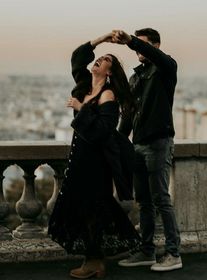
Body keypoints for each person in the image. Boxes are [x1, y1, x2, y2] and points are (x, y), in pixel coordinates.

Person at [48, 33, 141, 279]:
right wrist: (102, 39)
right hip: (80, 157)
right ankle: (93, 260)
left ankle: (94, 261)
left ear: (110, 72)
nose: (99, 59)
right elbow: (77, 58)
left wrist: (81, 109)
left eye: (106, 59)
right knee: (82, 209)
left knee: (91, 210)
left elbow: (103, 131)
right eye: (99, 57)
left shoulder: (108, 95)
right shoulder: (84, 85)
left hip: (97, 162)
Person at [111, 28, 182, 271]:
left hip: (159, 142)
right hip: (138, 145)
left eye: (144, 45)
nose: (138, 51)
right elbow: (128, 115)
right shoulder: (136, 77)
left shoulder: (166, 68)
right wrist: (119, 143)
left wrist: (131, 41)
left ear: (155, 45)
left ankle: (173, 253)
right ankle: (147, 251)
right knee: (144, 202)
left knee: (162, 199)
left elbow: (153, 55)